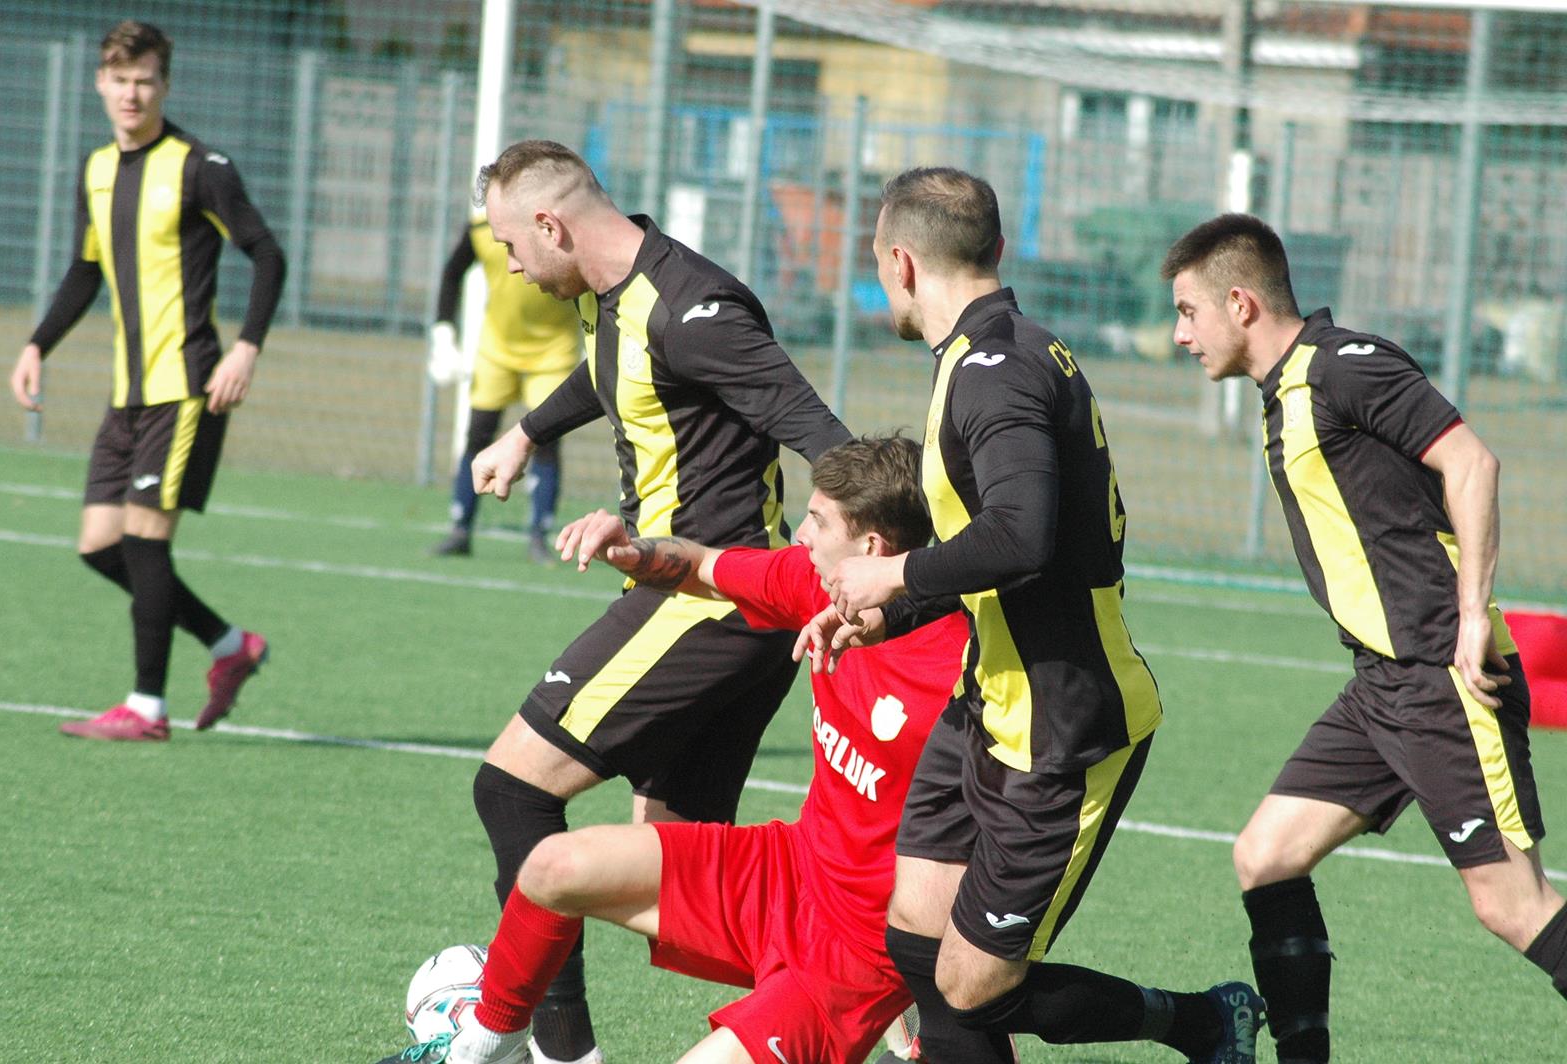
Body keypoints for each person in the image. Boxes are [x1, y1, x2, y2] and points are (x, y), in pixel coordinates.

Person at [801, 168, 1262, 1063]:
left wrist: (890, 576)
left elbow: (1024, 537)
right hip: (990, 703)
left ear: (899, 262)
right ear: (998, 250)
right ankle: (1201, 1024)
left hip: (1065, 729)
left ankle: (1201, 1021)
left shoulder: (993, 372)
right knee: (917, 942)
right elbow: (998, 553)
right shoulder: (994, 351)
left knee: (973, 986)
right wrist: (888, 616)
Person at [378, 435, 991, 1064]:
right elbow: (703, 564)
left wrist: (952, 995)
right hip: (784, 871)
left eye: (818, 520)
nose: (800, 534)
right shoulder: (816, 585)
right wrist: (632, 549)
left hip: (856, 959)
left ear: (872, 550)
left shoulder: (970, 669)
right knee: (549, 868)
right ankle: (487, 1042)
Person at [450, 140, 850, 1064]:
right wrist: (526, 435)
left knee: (511, 789)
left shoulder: (697, 310)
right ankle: (888, 1009)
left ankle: (558, 1053)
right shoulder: (615, 292)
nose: (510, 265)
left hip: (709, 598)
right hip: (722, 610)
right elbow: (609, 373)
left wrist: (871, 573)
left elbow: (818, 431)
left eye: (514, 246)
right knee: (685, 863)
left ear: (552, 226)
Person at [1161, 213, 1566, 1061]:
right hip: (1380, 687)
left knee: (1510, 904)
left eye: (1188, 312)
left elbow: (1473, 463)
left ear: (1240, 303)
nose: (1179, 334)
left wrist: (1471, 617)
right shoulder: (1288, 388)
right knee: (1265, 856)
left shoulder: (1345, 367)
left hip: (1442, 679)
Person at [8, 19, 284, 741]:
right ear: (100, 81)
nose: (131, 93)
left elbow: (267, 253)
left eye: (144, 81)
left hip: (187, 385)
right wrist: (38, 344)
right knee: (99, 545)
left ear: (164, 85)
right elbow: (84, 269)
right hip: (127, 393)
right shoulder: (97, 168)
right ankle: (230, 646)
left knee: (143, 543)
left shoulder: (200, 165)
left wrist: (246, 347)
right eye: (119, 79)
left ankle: (147, 708)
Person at [425, 216, 583, 561]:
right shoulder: (483, 229)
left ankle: (540, 535)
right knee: (478, 434)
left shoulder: (560, 228)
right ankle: (460, 527)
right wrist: (442, 332)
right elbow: (452, 274)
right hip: (497, 349)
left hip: (553, 351)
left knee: (546, 438)